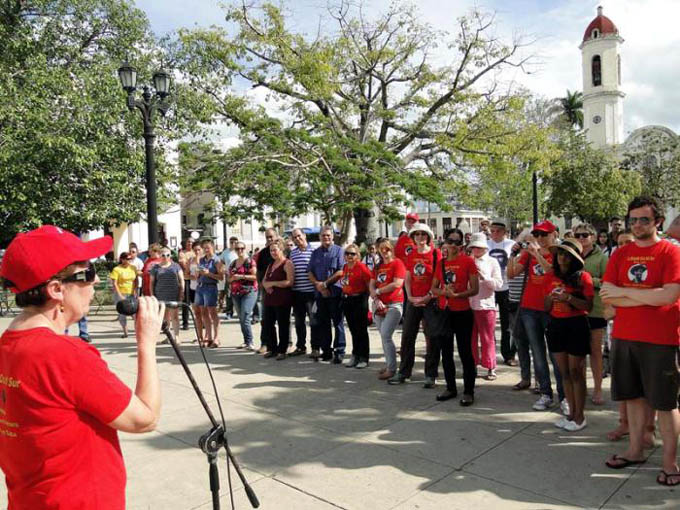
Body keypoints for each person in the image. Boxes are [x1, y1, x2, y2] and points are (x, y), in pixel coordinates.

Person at [0, 225, 164, 509]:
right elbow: (144, 419)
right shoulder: (65, 355)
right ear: (56, 289)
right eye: (86, 273)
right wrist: (146, 343)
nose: (96, 279)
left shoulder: (8, 344)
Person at [600, 196, 680, 486]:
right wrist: (648, 295)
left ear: (657, 221)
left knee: (665, 402)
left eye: (643, 219)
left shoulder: (670, 252)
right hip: (624, 336)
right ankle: (635, 450)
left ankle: (670, 463)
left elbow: (669, 295)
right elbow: (607, 294)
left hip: (660, 339)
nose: (636, 225)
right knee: (632, 397)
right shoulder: (621, 254)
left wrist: (627, 296)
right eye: (632, 220)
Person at [507, 220, 566, 412]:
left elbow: (552, 272)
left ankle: (564, 396)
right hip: (529, 309)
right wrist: (512, 255)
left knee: (555, 354)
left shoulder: (560, 253)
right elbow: (511, 274)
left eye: (544, 234)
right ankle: (546, 394)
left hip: (552, 308)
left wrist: (536, 254)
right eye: (537, 234)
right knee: (538, 354)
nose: (540, 238)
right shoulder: (529, 253)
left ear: (554, 234)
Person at [544, 239, 594, 432]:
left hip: (576, 325)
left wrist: (569, 298)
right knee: (564, 372)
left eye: (566, 254)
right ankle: (572, 413)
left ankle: (580, 416)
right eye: (559, 253)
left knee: (576, 372)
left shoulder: (583, 277)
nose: (562, 257)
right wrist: (550, 298)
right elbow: (546, 307)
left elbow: (588, 306)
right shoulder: (551, 276)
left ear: (574, 258)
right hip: (556, 325)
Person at [429, 229, 479, 404]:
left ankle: (468, 391)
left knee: (465, 352)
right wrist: (444, 292)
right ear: (445, 242)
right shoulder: (441, 263)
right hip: (445, 312)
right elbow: (434, 288)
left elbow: (475, 289)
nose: (453, 245)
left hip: (463, 312)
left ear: (462, 244)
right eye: (450, 241)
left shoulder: (468, 262)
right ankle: (450, 387)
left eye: (457, 242)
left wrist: (459, 295)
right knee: (446, 352)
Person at [388, 223, 441, 385]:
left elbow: (438, 279)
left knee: (432, 337)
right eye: (417, 235)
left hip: (430, 301)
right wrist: (409, 296)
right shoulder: (411, 255)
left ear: (428, 237)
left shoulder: (435, 254)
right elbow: (408, 276)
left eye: (423, 234)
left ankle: (430, 375)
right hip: (413, 301)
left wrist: (429, 295)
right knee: (407, 336)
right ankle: (404, 372)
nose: (420, 238)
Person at [573, 223, 609, 405]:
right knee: (577, 353)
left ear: (593, 237)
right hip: (573, 309)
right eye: (578, 235)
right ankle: (581, 388)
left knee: (595, 352)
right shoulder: (571, 254)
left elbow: (607, 282)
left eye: (585, 235)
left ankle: (598, 389)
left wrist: (586, 279)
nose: (581, 238)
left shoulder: (602, 258)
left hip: (595, 309)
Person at [308, 226, 346, 363]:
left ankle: (339, 351)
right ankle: (326, 351)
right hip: (320, 294)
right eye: (323, 235)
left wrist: (325, 284)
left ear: (333, 236)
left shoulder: (339, 251)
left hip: (335, 293)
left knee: (338, 323)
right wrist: (319, 285)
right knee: (323, 324)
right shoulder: (315, 253)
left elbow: (341, 271)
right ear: (319, 237)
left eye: (328, 235)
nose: (326, 237)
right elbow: (310, 272)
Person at [369, 240, 406, 379]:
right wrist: (376, 297)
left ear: (391, 249)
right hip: (379, 305)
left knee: (386, 335)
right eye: (381, 249)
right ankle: (390, 363)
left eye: (387, 249)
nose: (384, 252)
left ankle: (391, 369)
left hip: (393, 304)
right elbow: (372, 284)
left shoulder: (397, 263)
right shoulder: (378, 266)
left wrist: (377, 291)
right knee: (384, 337)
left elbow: (397, 283)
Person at [468, 233, 503, 380]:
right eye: (474, 247)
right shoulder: (467, 261)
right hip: (469, 304)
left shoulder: (492, 262)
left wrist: (484, 277)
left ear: (484, 248)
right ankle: (473, 365)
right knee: (471, 338)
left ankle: (490, 366)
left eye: (479, 247)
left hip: (486, 305)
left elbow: (498, 284)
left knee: (487, 338)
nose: (476, 250)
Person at [487, 220, 517, 365]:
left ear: (504, 232)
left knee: (508, 324)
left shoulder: (512, 245)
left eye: (498, 231)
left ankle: (509, 354)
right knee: (489, 324)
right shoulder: (486, 245)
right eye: (492, 231)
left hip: (507, 288)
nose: (494, 233)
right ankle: (489, 355)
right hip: (490, 288)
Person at [340, 243, 372, 368]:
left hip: (360, 299)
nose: (349, 256)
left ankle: (364, 357)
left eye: (352, 254)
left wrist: (369, 300)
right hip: (348, 300)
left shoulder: (362, 267)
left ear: (357, 255)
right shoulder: (345, 267)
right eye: (347, 253)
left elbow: (369, 284)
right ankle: (355, 355)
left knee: (361, 330)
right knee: (353, 330)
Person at [262, 239, 295, 359]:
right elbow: (264, 280)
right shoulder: (271, 264)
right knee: (268, 324)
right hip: (270, 299)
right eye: (271, 251)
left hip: (283, 299)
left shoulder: (287, 263)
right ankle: (272, 348)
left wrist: (273, 284)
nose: (273, 253)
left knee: (283, 324)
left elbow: (289, 282)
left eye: (275, 250)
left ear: (281, 250)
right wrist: (267, 285)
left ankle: (282, 350)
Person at [227, 241, 258, 350]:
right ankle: (246, 341)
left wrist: (241, 276)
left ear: (245, 249)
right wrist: (232, 278)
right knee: (241, 317)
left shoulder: (250, 261)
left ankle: (250, 342)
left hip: (249, 292)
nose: (239, 250)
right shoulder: (233, 263)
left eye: (242, 248)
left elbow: (255, 277)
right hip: (236, 293)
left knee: (245, 315)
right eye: (237, 249)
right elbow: (229, 278)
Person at [289, 229, 315, 356]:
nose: (297, 239)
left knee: (314, 321)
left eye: (299, 236)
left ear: (304, 236)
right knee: (299, 322)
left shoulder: (314, 251)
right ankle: (300, 346)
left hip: (311, 292)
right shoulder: (292, 253)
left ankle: (315, 348)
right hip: (297, 293)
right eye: (294, 237)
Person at [150, 247, 184, 341]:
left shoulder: (175, 266)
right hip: (160, 294)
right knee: (165, 317)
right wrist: (153, 295)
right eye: (163, 255)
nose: (165, 257)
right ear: (160, 255)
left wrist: (182, 291)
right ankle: (168, 337)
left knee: (175, 316)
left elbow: (181, 279)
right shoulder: (155, 267)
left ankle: (176, 336)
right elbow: (152, 283)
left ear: (170, 255)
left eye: (168, 255)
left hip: (173, 294)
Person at [195, 239, 223, 348]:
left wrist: (209, 274)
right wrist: (198, 273)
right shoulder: (202, 260)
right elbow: (198, 274)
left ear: (213, 247)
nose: (206, 250)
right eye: (204, 248)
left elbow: (221, 277)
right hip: (200, 287)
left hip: (210, 287)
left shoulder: (216, 260)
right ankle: (209, 337)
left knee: (212, 312)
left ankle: (216, 338)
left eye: (208, 247)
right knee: (203, 313)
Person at [255, 228, 278, 352]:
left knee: (283, 319)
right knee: (266, 319)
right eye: (267, 237)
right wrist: (261, 285)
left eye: (271, 237)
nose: (269, 239)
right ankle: (265, 343)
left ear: (276, 236)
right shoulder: (263, 253)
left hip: (281, 290)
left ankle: (288, 343)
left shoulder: (282, 251)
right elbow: (259, 272)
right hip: (266, 290)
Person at [109, 252, 138, 338]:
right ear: (122, 259)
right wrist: (119, 295)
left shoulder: (133, 268)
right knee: (122, 313)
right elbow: (115, 283)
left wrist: (136, 290)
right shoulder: (117, 269)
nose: (129, 261)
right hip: (121, 293)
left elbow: (136, 280)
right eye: (127, 259)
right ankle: (125, 332)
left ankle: (137, 331)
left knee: (135, 313)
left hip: (131, 293)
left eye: (130, 259)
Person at [188, 242, 205, 344]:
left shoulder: (204, 260)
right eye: (195, 250)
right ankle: (199, 336)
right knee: (197, 313)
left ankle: (207, 335)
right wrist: (191, 276)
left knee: (204, 313)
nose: (197, 252)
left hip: (203, 288)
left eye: (199, 250)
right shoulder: (190, 260)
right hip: (193, 288)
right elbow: (186, 274)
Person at [178, 238, 195, 329]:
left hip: (196, 279)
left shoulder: (196, 251)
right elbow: (183, 265)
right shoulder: (182, 253)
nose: (190, 243)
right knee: (186, 302)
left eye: (191, 242)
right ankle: (185, 322)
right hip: (186, 279)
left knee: (197, 301)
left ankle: (201, 321)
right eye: (188, 242)